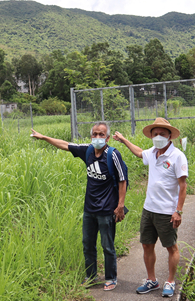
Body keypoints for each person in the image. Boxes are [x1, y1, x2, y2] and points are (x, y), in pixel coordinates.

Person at [31, 122, 127, 291]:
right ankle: (90, 276)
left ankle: (111, 278)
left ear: (108, 137)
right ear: (91, 136)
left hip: (106, 210)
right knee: (87, 244)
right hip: (89, 209)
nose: (97, 137)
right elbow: (65, 144)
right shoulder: (88, 150)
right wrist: (44, 137)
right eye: (95, 134)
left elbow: (122, 180)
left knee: (107, 245)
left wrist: (120, 206)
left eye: (101, 134)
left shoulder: (112, 155)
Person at [113, 118, 188, 297]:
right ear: (152, 136)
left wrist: (178, 211)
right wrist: (123, 140)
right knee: (147, 245)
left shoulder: (177, 156)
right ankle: (152, 280)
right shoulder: (153, 152)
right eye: (155, 134)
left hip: (167, 212)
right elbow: (139, 152)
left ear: (170, 136)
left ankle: (170, 281)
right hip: (149, 209)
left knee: (171, 247)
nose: (158, 137)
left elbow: (183, 186)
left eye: (162, 133)